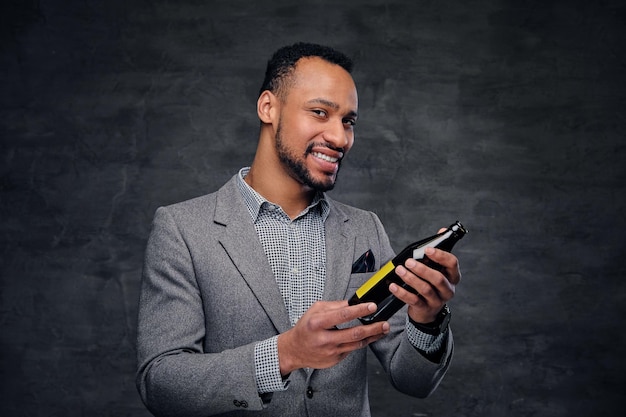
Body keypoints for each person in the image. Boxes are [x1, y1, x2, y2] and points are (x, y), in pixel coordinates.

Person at [136, 42, 461, 417]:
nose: (340, 138)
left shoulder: (364, 228)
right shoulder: (182, 229)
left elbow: (414, 381)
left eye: (348, 121)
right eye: (320, 112)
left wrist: (427, 319)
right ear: (268, 107)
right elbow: (160, 383)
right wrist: (283, 355)